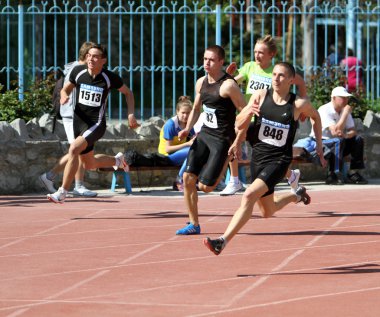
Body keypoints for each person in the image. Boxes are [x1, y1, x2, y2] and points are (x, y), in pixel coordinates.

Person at [203, 62, 326, 255]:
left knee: (248, 195)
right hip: (258, 158)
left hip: (279, 160)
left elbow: (316, 118)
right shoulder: (260, 96)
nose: (276, 79)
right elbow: (238, 123)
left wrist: (318, 144)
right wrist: (243, 126)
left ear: (291, 80)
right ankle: (297, 195)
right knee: (267, 211)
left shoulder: (297, 104)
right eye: (274, 74)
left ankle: (222, 241)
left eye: (281, 76)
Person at [175, 44, 256, 235]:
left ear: (221, 62)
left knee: (206, 187)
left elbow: (246, 111)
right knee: (187, 178)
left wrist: (238, 139)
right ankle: (194, 224)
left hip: (222, 139)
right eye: (204, 59)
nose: (206, 63)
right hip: (204, 135)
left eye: (211, 60)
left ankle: (229, 159)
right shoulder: (201, 82)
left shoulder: (229, 86)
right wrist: (187, 129)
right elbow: (196, 108)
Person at [47, 43, 139, 203]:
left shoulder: (109, 78)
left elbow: (128, 93)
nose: (91, 59)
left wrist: (130, 114)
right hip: (78, 123)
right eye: (89, 55)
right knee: (89, 163)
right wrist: (63, 96)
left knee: (74, 149)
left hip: (96, 124)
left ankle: (62, 192)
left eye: (95, 56)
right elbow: (65, 89)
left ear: (103, 60)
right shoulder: (77, 71)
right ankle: (118, 160)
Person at [221, 35, 306, 196]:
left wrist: (302, 103)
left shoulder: (276, 73)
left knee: (270, 158)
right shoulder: (249, 67)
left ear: (271, 54)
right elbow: (232, 83)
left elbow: (300, 82)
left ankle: (291, 175)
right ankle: (234, 180)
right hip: (249, 118)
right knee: (231, 138)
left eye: (261, 52)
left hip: (266, 122)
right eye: (255, 51)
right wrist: (228, 76)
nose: (257, 55)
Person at [40, 41, 98, 197]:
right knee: (77, 150)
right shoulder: (77, 70)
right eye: (93, 56)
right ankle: (57, 178)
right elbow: (71, 95)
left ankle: (59, 179)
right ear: (87, 56)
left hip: (78, 117)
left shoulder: (80, 69)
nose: (95, 60)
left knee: (79, 150)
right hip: (72, 116)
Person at [295, 86, 367, 185]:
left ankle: (354, 173)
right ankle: (333, 174)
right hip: (321, 144)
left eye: (347, 97)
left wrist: (346, 135)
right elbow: (335, 132)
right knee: (338, 141)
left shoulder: (343, 109)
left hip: (339, 144)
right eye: (342, 97)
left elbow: (353, 131)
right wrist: (345, 114)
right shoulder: (325, 110)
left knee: (358, 139)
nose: (346, 100)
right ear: (333, 98)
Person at [158, 96, 196, 190]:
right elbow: (168, 149)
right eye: (183, 113)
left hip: (178, 154)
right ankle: (178, 180)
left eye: (188, 113)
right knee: (190, 151)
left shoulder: (189, 125)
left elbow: (194, 139)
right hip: (166, 156)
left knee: (199, 152)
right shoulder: (170, 125)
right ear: (177, 112)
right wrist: (187, 144)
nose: (185, 116)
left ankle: (202, 181)